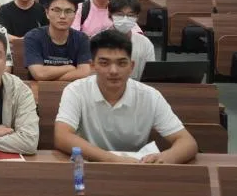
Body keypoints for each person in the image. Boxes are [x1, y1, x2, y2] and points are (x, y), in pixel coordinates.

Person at [54, 29, 198, 163]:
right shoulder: (76, 90)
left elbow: (187, 142)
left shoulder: (150, 96)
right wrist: (114, 160)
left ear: (131, 66)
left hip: (138, 169)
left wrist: (160, 160)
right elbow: (62, 136)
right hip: (91, 166)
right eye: (104, 63)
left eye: (122, 63)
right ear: (92, 66)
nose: (113, 71)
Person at [24, 0, 92, 81]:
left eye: (68, 11)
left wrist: (49, 78)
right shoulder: (33, 37)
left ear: (75, 14)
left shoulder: (82, 39)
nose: (62, 16)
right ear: (47, 13)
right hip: (39, 89)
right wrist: (69, 68)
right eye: (57, 10)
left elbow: (84, 72)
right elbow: (39, 73)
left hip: (71, 88)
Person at [108, 0, 155, 80]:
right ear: (110, 15)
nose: (125, 19)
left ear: (137, 18)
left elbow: (151, 74)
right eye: (119, 14)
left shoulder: (145, 43)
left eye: (130, 15)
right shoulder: (98, 41)